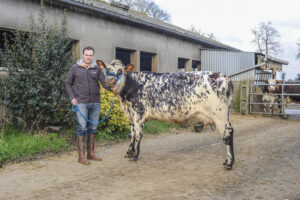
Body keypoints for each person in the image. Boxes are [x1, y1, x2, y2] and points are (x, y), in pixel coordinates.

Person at [66, 46, 111, 165]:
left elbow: (104, 83)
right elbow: (68, 84)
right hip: (81, 102)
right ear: (83, 55)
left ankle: (91, 153)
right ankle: (81, 156)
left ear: (93, 56)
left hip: (96, 102)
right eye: (86, 55)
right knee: (82, 128)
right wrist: (72, 98)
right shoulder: (75, 68)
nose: (88, 57)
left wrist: (113, 88)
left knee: (93, 128)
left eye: (90, 55)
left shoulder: (97, 68)